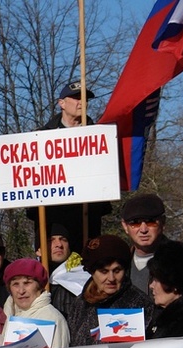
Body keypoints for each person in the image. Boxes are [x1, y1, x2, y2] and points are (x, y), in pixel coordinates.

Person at [25, 82, 111, 253]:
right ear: (62, 103)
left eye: (85, 99)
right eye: (77, 98)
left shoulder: (98, 135)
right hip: (52, 220)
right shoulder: (40, 136)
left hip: (87, 218)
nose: (82, 102)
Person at [65, 235, 152, 347]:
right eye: (104, 271)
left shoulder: (140, 304)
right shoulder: (80, 304)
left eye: (117, 270)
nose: (111, 278)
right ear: (92, 272)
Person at [1, 259, 70, 348]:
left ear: (40, 286)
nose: (21, 291)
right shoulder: (9, 315)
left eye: (27, 283)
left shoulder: (53, 318)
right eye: (15, 284)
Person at [120, 193, 170, 294]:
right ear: (125, 226)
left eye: (150, 221)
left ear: (163, 222)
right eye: (135, 223)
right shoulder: (119, 263)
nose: (143, 230)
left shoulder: (182, 262)